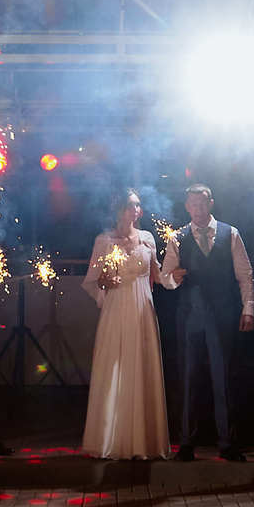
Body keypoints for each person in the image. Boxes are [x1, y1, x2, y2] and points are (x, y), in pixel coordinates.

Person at [158, 185, 254, 460]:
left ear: (210, 203)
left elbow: (245, 275)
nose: (198, 210)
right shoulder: (177, 238)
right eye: (193, 205)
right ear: (187, 207)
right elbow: (165, 278)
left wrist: (248, 309)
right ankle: (187, 443)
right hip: (189, 316)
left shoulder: (231, 233)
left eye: (202, 204)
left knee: (223, 378)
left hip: (223, 314)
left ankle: (227, 442)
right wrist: (172, 279)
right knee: (188, 378)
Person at [83, 189, 169, 459]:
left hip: (143, 308)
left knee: (142, 366)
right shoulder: (104, 241)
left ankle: (144, 442)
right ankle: (111, 439)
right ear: (119, 209)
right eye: (130, 205)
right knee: (114, 368)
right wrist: (105, 284)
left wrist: (175, 277)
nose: (136, 210)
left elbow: (158, 275)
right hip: (116, 309)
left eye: (138, 205)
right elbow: (92, 280)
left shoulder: (148, 239)